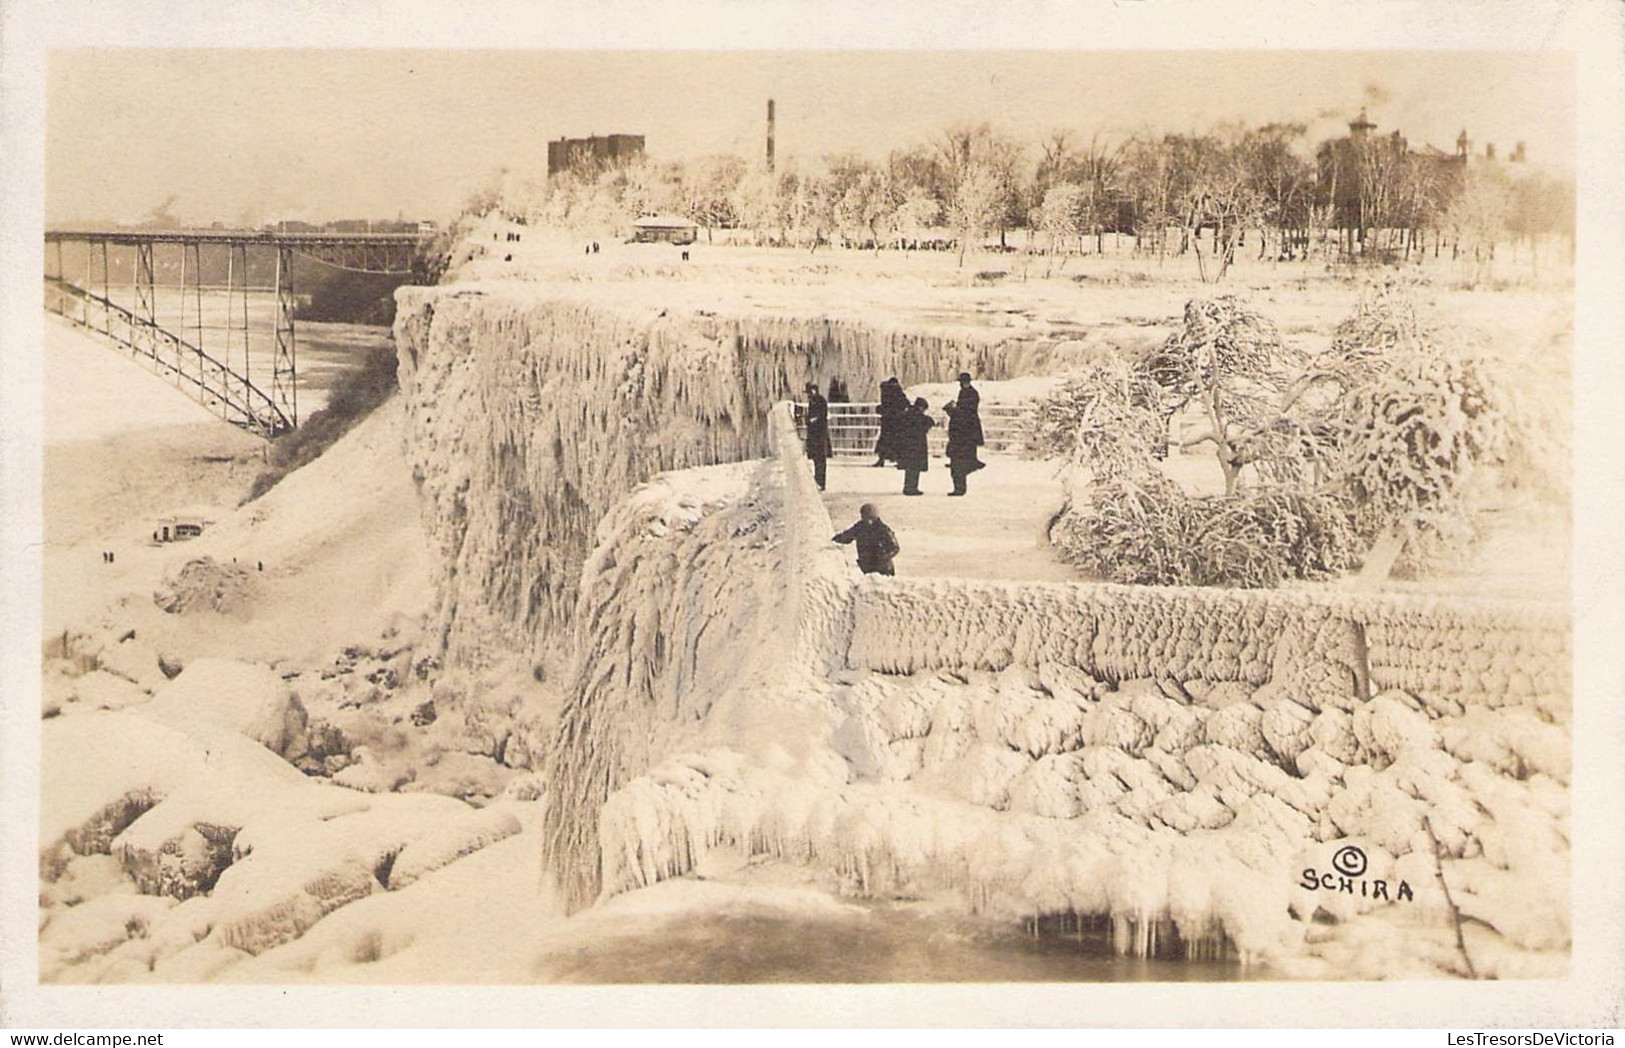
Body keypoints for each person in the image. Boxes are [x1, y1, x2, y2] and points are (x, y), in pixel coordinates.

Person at [832, 503, 900, 576]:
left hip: (883, 570)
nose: (867, 520)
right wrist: (835, 540)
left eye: (870, 518)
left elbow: (895, 547)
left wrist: (883, 558)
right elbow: (847, 536)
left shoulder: (883, 530)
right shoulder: (860, 527)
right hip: (867, 567)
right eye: (864, 516)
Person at [943, 401, 985, 496]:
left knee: (957, 470)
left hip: (958, 448)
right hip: (963, 448)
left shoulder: (956, 420)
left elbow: (955, 436)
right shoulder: (961, 417)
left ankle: (959, 489)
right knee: (959, 469)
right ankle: (960, 488)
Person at [897, 397, 934, 496]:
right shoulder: (918, 416)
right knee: (915, 467)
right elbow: (929, 422)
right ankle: (912, 488)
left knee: (910, 468)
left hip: (907, 445)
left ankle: (909, 487)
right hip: (917, 445)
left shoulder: (908, 414)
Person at [802, 381, 833, 491]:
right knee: (817, 459)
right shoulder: (813, 401)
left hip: (820, 435)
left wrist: (812, 420)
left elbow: (822, 415)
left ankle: (821, 482)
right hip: (814, 435)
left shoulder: (820, 401)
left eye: (809, 392)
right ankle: (817, 480)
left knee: (820, 459)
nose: (808, 395)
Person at [873, 377, 906, 467]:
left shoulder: (885, 393)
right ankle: (899, 461)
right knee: (897, 441)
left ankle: (881, 459)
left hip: (887, 420)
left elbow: (884, 406)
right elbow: (904, 403)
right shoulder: (898, 393)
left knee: (884, 440)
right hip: (897, 421)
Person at [955, 372, 985, 449]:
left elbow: (971, 408)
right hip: (965, 422)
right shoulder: (962, 392)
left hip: (970, 422)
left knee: (970, 444)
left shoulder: (972, 393)